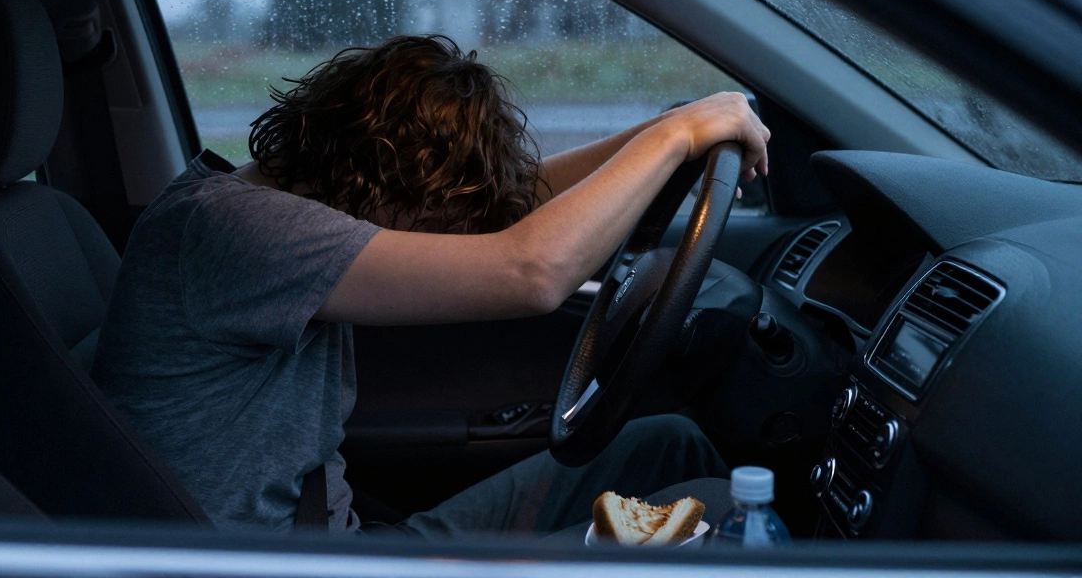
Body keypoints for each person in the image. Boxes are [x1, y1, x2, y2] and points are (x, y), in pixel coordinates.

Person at [92, 34, 770, 538]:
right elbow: (532, 271)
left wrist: (668, 130)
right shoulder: (245, 230)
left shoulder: (270, 200)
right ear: (379, 176)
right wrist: (678, 134)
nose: (455, 234)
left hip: (337, 540)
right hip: (297, 564)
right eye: (441, 214)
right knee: (719, 521)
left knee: (669, 444)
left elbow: (513, 203)